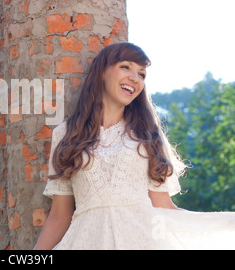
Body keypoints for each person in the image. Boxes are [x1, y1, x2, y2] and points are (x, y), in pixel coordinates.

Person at [34, 42, 235, 250]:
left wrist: (225, 223)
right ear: (102, 71)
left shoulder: (147, 135)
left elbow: (164, 208)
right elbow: (59, 216)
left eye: (142, 74)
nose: (135, 78)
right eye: (126, 67)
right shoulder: (66, 134)